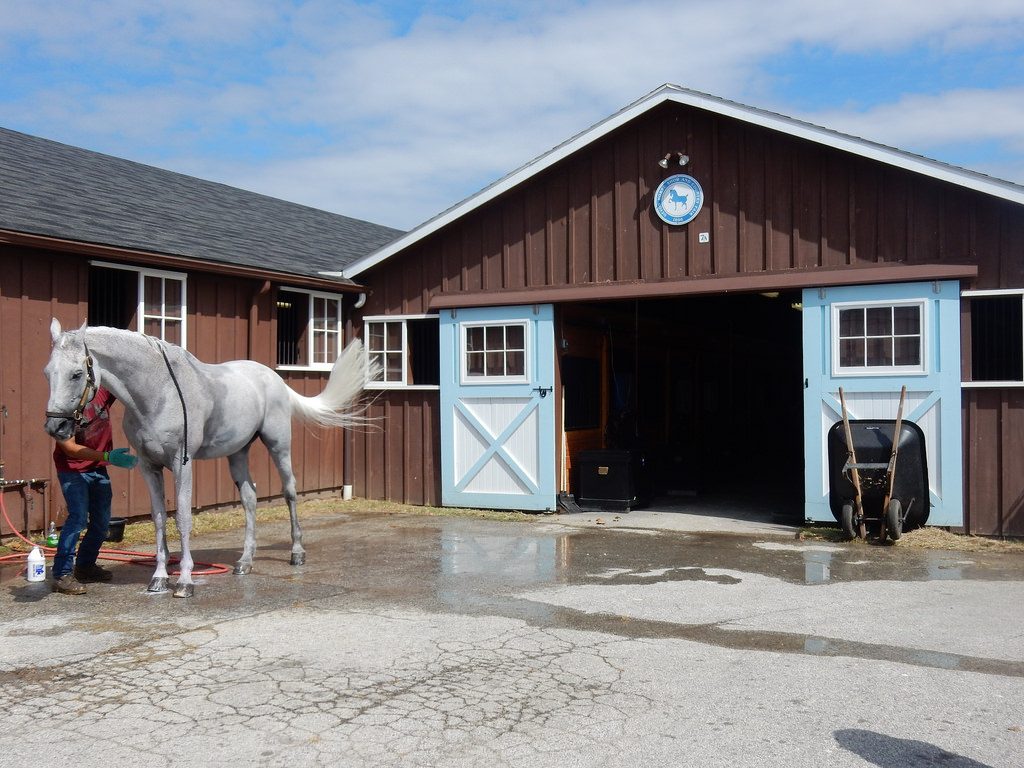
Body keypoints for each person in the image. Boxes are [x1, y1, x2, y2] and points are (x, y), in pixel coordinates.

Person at [51, 386, 138, 595]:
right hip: (72, 470)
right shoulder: (63, 405)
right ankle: (62, 574)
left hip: (97, 470)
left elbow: (125, 381)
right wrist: (107, 457)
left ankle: (85, 566)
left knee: (101, 523)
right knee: (78, 519)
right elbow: (69, 447)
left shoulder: (101, 392)